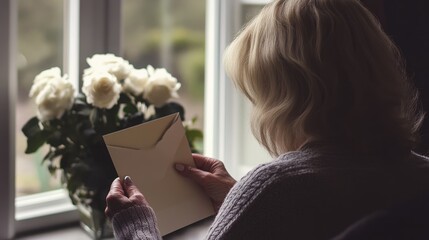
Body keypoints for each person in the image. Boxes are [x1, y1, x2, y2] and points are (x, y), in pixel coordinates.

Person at [105, 0, 429, 239]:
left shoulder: (276, 188)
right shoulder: (420, 174)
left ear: (288, 99)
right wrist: (237, 199)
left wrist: (136, 228)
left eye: (259, 95)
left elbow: (290, 200)